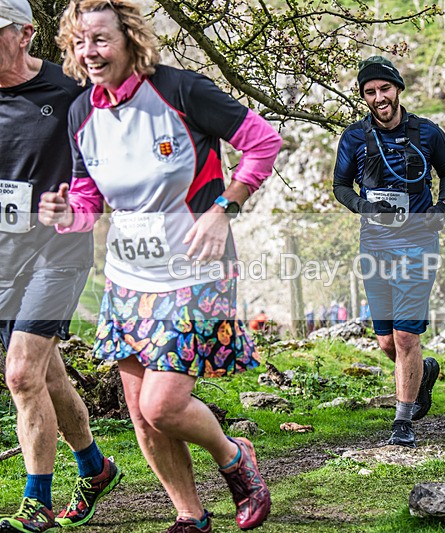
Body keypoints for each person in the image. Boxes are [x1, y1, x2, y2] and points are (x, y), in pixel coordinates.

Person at [38, 0, 282, 530]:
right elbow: (87, 202)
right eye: (79, 42)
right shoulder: (82, 113)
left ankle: (236, 457)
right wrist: (66, 213)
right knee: (141, 414)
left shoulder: (180, 91)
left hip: (197, 268)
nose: (90, 52)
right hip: (129, 278)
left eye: (100, 39)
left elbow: (263, 142)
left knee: (164, 403)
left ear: (129, 37)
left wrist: (225, 208)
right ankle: (190, 516)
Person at [0, 1, 123, 531]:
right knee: (46, 376)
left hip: (58, 252)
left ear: (25, 33)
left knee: (22, 373)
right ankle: (95, 468)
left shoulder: (69, 92)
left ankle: (37, 504)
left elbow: (111, 166)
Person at [333, 56, 445, 447]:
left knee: (405, 337)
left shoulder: (428, 133)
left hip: (418, 244)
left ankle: (402, 423)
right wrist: (363, 207)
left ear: (398, 89)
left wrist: (442, 206)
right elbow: (340, 187)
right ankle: (423, 374)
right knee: (387, 342)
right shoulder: (354, 138)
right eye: (370, 92)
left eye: (384, 89)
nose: (378, 97)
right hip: (374, 246)